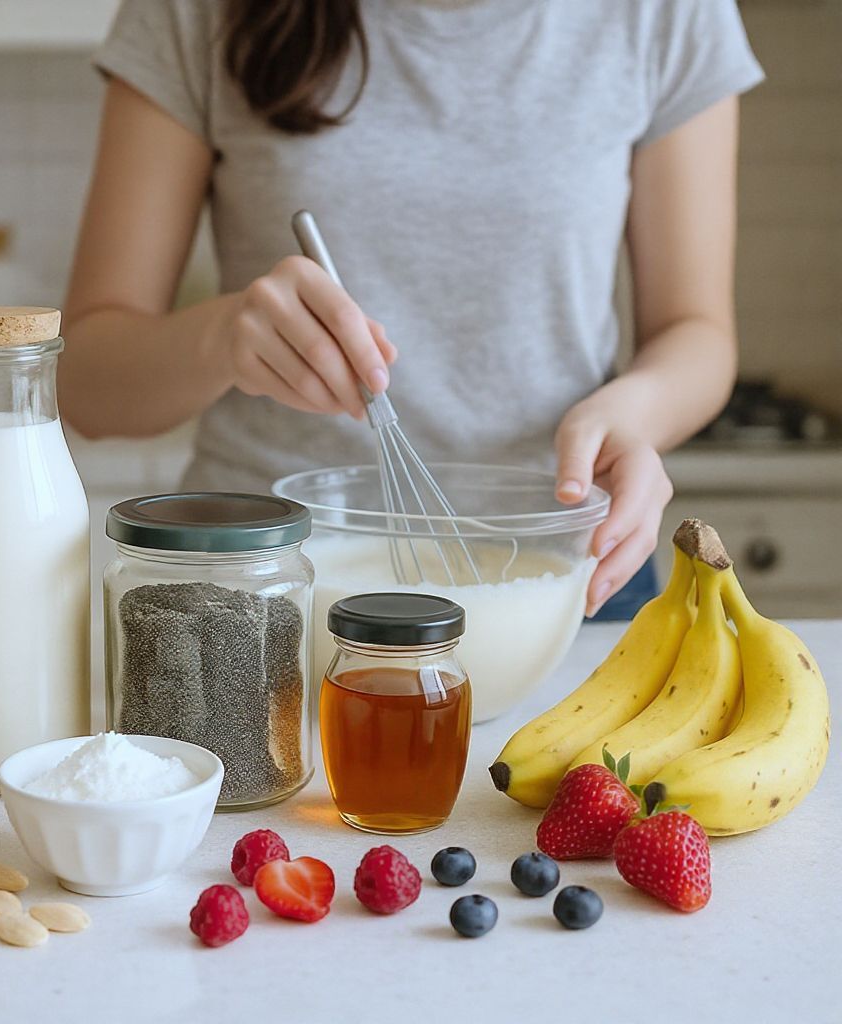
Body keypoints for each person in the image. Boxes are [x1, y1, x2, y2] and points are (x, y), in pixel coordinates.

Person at [60, 0, 763, 619]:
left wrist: (629, 415)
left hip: (569, 577)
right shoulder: (199, 11)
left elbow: (695, 333)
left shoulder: (665, 11)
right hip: (270, 591)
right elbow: (86, 382)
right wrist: (221, 338)